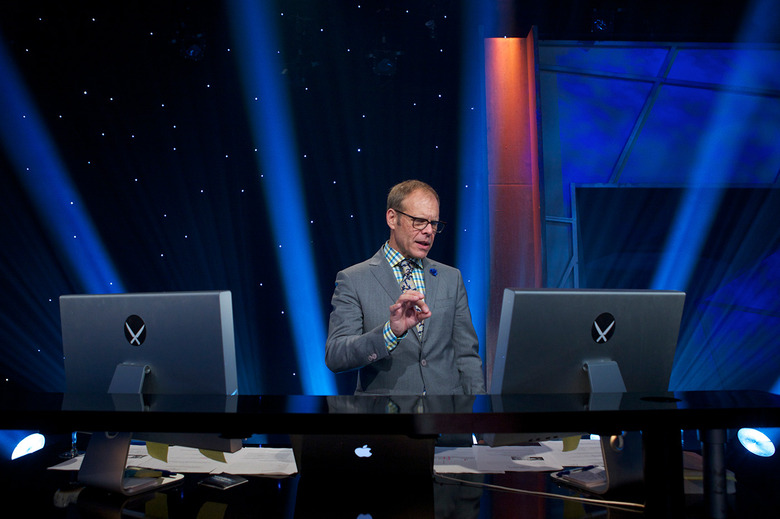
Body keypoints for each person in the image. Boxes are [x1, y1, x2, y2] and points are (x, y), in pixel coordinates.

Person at [325, 180, 486, 395]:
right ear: (392, 218)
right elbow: (336, 356)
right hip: (387, 412)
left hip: (447, 410)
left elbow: (467, 355)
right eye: (419, 221)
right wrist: (390, 333)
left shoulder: (451, 277)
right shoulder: (353, 279)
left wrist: (479, 409)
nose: (428, 231)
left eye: (434, 223)